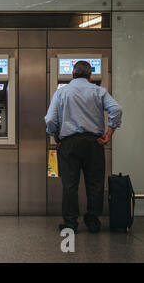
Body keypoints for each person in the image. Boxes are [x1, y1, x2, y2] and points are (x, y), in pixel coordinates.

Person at [44, 61, 123, 234]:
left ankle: (71, 223)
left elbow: (50, 119)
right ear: (90, 76)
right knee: (95, 183)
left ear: (72, 75)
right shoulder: (98, 91)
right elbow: (116, 109)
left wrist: (54, 133)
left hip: (69, 143)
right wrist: (109, 134)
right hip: (93, 143)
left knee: (70, 185)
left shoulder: (61, 92)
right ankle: (93, 220)